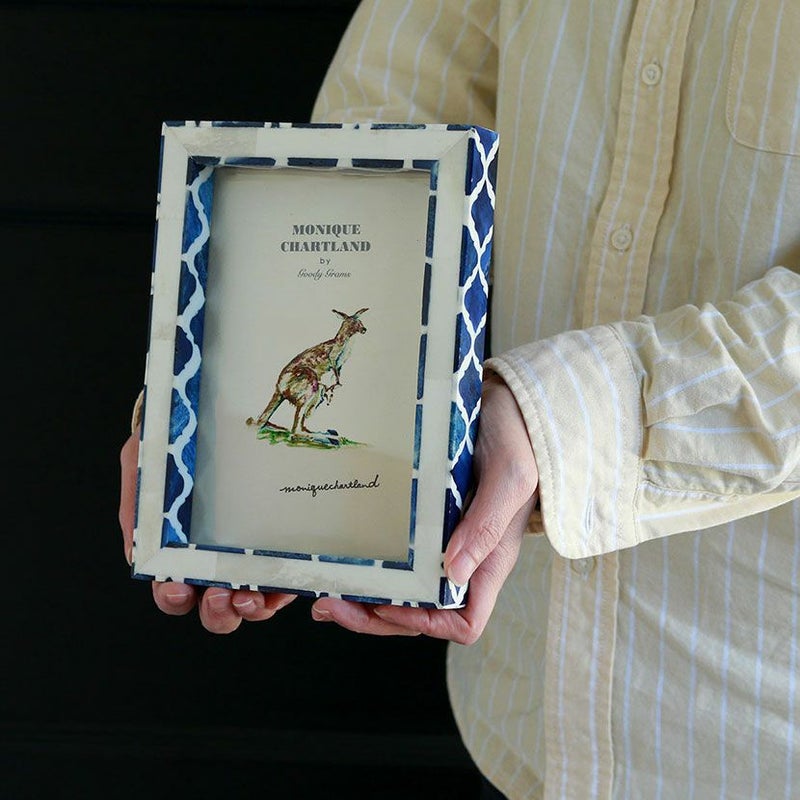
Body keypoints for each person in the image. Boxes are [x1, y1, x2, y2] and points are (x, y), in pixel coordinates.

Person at [119, 1, 800, 797]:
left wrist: (555, 424)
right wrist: (206, 396)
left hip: (754, 724)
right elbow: (393, 115)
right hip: (518, 710)